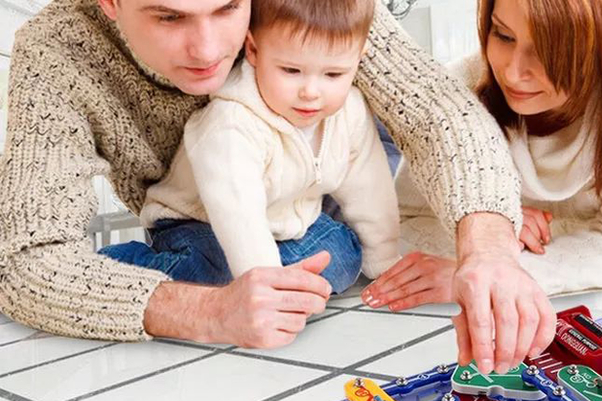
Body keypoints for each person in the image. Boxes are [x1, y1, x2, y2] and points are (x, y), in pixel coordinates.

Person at [0, 0, 554, 373]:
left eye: (228, 8)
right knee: (230, 270)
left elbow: (440, 112)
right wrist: (210, 312)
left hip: (297, 203)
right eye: (169, 17)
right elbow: (27, 261)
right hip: (191, 223)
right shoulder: (56, 51)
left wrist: (489, 249)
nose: (208, 50)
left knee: (338, 251)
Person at [365, 0, 602, 359]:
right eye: (503, 35)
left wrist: (485, 272)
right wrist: (496, 222)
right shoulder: (468, 88)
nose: (513, 72)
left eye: (547, 51)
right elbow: (404, 222)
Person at [101, 0, 401, 295]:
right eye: (291, 71)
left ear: (358, 59)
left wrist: (385, 260)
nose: (311, 92)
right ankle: (119, 264)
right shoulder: (231, 123)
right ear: (254, 51)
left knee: (343, 256)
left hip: (287, 224)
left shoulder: (350, 113)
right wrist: (264, 287)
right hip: (198, 223)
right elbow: (238, 215)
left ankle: (280, 274)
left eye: (333, 74)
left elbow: (369, 187)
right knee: (217, 271)